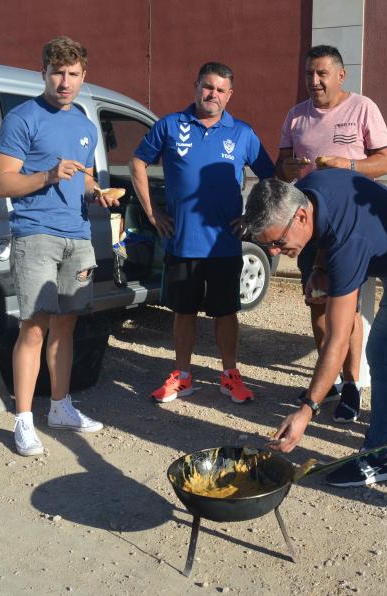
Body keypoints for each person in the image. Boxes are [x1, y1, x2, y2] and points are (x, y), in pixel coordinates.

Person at [241, 171, 387, 487]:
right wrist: (319, 266)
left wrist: (307, 410)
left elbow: (337, 340)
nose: (273, 252)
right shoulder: (304, 193)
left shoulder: (348, 243)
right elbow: (329, 226)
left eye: (277, 242)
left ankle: (378, 458)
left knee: (382, 350)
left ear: (301, 217)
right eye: (267, 245)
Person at [275, 45, 387, 427]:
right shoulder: (296, 115)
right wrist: (288, 168)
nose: (314, 81)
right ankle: (331, 381)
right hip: (308, 225)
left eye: (322, 73)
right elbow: (280, 167)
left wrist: (348, 164)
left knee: (346, 307)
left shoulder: (362, 108)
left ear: (340, 75)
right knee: (317, 303)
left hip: (350, 227)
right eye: (309, 74)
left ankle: (353, 384)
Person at [0, 36, 120, 456]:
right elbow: (1, 183)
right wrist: (47, 175)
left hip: (77, 235)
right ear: (43, 73)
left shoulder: (84, 125)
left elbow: (83, 177)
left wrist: (97, 192)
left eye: (73, 74)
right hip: (35, 234)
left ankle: (61, 407)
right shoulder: (22, 118)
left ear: (84, 76)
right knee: (34, 327)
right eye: (57, 73)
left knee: (66, 325)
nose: (65, 82)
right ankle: (24, 419)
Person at [130, 62, 274, 404]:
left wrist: (252, 218)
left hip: (224, 244)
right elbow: (137, 163)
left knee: (226, 313)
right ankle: (182, 376)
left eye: (221, 90)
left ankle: (229, 376)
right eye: (208, 87)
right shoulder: (169, 125)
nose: (213, 94)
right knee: (184, 312)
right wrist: (152, 212)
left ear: (229, 95)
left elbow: (270, 178)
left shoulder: (242, 133)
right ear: (196, 85)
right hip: (182, 241)